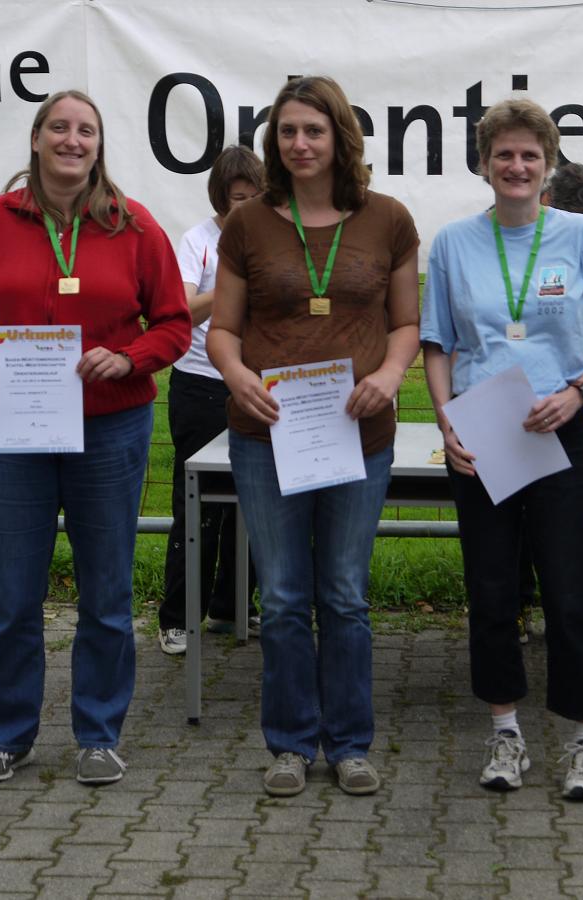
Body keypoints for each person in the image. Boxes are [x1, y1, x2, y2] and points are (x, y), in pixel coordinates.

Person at [0, 89, 190, 786]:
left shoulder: (134, 228)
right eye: (60, 128)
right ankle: (7, 736)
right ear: (37, 139)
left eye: (86, 130)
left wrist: (130, 358)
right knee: (12, 593)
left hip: (109, 429)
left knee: (106, 590)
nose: (73, 141)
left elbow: (173, 323)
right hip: (11, 429)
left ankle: (98, 734)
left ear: (99, 145)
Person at [206, 76, 420, 798]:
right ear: (275, 141)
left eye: (314, 131)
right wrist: (238, 378)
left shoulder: (387, 218)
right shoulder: (249, 223)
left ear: (340, 139)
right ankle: (292, 744)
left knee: (346, 592)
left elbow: (407, 325)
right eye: (288, 131)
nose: (300, 144)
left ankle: (351, 743)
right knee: (288, 595)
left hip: (359, 432)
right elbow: (223, 331)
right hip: (267, 434)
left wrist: (390, 375)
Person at [420, 98, 583, 801]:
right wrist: (447, 424)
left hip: (556, 425)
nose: (516, 166)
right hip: (480, 429)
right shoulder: (451, 243)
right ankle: (505, 731)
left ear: (548, 165)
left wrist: (581, 392)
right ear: (484, 164)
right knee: (492, 590)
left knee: (570, 592)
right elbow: (438, 343)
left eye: (529, 155)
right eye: (503, 154)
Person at [158, 145, 263, 656]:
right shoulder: (198, 241)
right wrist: (231, 283)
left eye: (254, 198)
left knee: (256, 500)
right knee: (197, 506)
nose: (245, 209)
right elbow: (181, 314)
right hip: (200, 385)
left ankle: (233, 606)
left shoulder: (273, 236)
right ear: (220, 198)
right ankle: (177, 617)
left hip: (255, 384)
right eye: (236, 199)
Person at [517, 161, 583, 646]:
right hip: (502, 395)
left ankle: (576, 616)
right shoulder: (499, 235)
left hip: (566, 402)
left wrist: (581, 388)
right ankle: (516, 605)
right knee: (512, 512)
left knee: (567, 527)